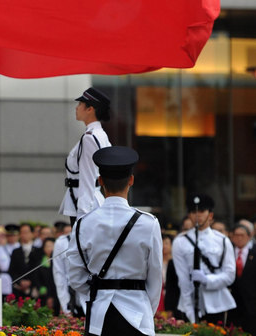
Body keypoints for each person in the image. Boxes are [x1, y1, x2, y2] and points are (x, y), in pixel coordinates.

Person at [67, 146, 162, 336]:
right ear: (131, 180)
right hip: (138, 316)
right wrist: (144, 310)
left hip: (98, 319)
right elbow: (156, 276)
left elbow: (75, 277)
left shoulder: (83, 224)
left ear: (100, 181)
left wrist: (99, 293)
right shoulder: (148, 223)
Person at [171, 194, 235, 325]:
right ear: (189, 215)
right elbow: (183, 280)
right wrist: (189, 309)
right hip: (190, 303)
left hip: (217, 302)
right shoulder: (180, 242)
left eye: (201, 211)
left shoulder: (222, 240)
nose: (197, 215)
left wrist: (207, 280)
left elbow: (230, 274)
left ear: (210, 215)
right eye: (194, 212)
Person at [59, 87, 112, 223]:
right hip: (89, 200)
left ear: (90, 109)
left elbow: (87, 176)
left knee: (81, 243)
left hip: (85, 202)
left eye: (80, 104)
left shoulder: (90, 137)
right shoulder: (99, 134)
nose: (76, 108)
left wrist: (83, 215)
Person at [227, 222, 256, 334]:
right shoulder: (226, 251)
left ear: (249, 237)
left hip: (253, 306)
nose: (239, 238)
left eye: (242, 235)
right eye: (236, 235)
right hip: (233, 306)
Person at [8, 222, 42, 298]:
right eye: (22, 232)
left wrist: (30, 282)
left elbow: (39, 270)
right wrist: (20, 281)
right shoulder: (15, 251)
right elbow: (11, 270)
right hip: (19, 289)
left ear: (32, 234)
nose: (24, 235)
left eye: (26, 232)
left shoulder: (38, 251)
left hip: (34, 289)